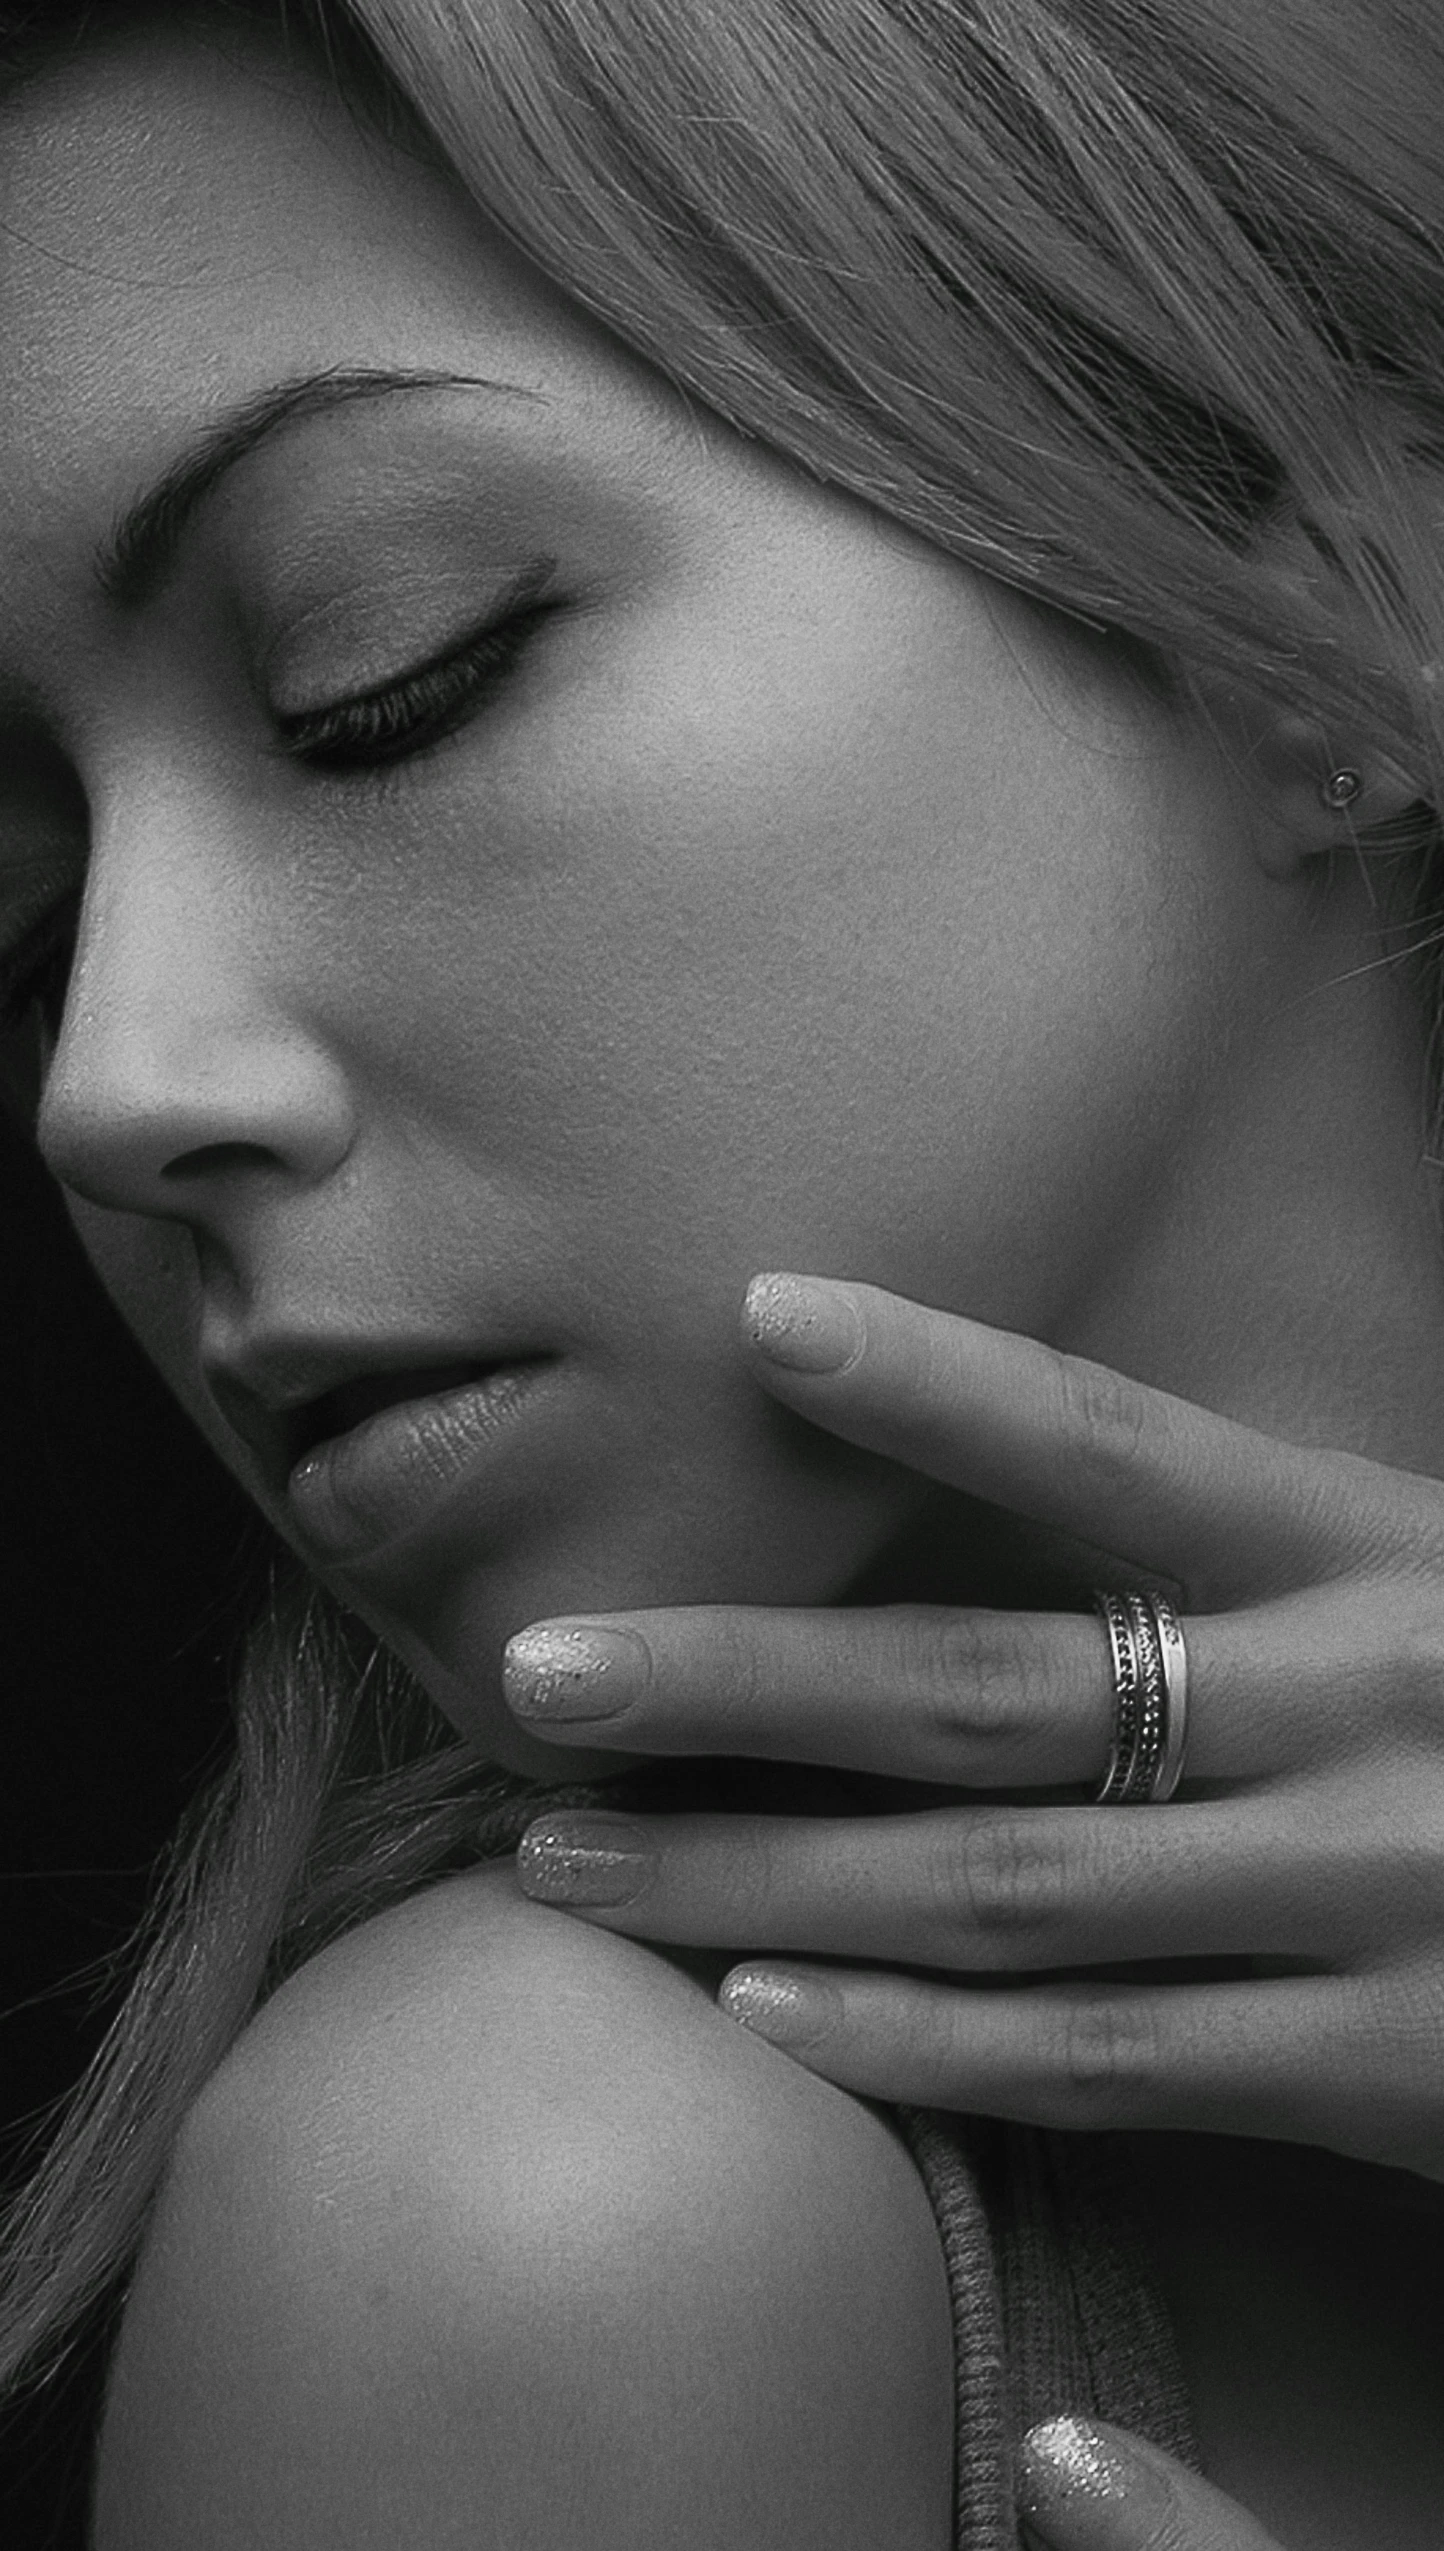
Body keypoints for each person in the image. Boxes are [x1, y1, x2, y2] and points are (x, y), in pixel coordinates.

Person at [1, 0, 1442, 2541]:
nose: (110, 1082)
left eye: (383, 669)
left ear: (1341, 583)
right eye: (19, 929)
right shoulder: (530, 2219)